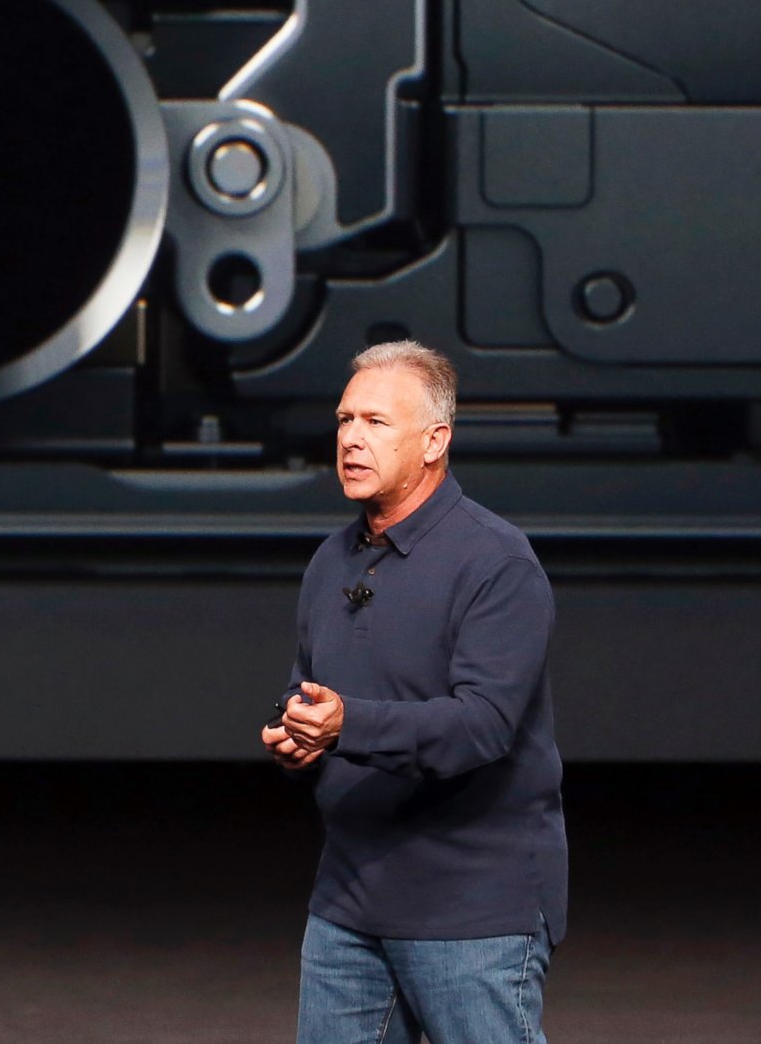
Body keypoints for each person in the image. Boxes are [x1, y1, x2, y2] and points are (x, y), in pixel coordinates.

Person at [263, 340, 566, 1044]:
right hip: (347, 904)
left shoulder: (495, 562)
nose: (351, 439)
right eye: (344, 420)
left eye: (375, 422)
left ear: (435, 440)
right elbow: (305, 689)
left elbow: (482, 725)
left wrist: (345, 726)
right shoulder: (332, 558)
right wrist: (295, 734)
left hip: (471, 912)